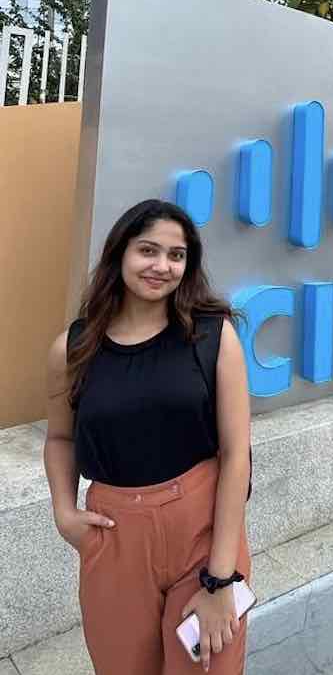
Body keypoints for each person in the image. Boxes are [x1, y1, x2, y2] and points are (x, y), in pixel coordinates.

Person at [44, 199, 252, 675]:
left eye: (176, 255)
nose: (162, 266)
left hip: (201, 530)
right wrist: (63, 511)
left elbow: (237, 455)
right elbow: (60, 439)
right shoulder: (73, 348)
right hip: (113, 535)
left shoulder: (213, 337)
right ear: (120, 253)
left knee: (205, 668)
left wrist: (221, 580)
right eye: (148, 250)